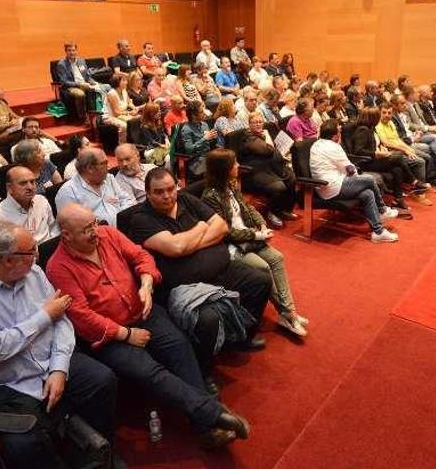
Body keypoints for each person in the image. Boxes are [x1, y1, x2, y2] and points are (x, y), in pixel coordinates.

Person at [47, 203, 250, 449]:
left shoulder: (107, 233)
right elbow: (81, 316)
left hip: (142, 310)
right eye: (86, 229)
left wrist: (146, 282)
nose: (95, 231)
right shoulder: (58, 267)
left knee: (179, 346)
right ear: (66, 235)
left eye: (94, 224)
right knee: (150, 372)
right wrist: (126, 334)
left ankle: (205, 423)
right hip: (110, 335)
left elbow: (142, 256)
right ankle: (212, 415)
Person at [0, 221, 118, 468]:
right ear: (7, 260)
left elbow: (62, 321)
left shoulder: (33, 273)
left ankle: (96, 453)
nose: (36, 257)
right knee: (24, 445)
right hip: (6, 382)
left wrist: (59, 368)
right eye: (31, 251)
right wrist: (45, 315)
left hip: (49, 358)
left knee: (101, 380)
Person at [127, 168, 271, 369]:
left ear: (177, 186)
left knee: (260, 281)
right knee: (207, 320)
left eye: (170, 189)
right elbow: (176, 247)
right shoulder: (140, 218)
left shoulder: (186, 200)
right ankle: (205, 369)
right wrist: (202, 228)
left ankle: (239, 338)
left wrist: (189, 244)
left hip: (220, 269)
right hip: (183, 285)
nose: (167, 196)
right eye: (159, 191)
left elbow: (221, 226)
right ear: (148, 193)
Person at [201, 149, 307, 336]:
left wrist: (261, 223)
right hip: (231, 247)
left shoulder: (231, 185)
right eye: (234, 164)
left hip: (249, 239)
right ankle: (288, 314)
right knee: (263, 267)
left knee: (277, 258)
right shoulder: (210, 197)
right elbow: (225, 233)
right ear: (224, 169)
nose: (238, 166)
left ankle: (288, 313)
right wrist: (256, 235)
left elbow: (247, 208)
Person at [311, 120, 400, 243]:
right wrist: (358, 179)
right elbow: (350, 169)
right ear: (335, 135)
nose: (341, 133)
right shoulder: (333, 147)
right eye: (339, 131)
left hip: (327, 186)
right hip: (332, 187)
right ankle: (383, 210)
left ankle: (378, 232)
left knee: (367, 193)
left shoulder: (317, 144)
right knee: (369, 179)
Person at [349, 106, 421, 211]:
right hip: (365, 162)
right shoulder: (363, 130)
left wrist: (381, 149)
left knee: (397, 169)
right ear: (372, 118)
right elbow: (358, 151)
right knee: (398, 157)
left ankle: (398, 199)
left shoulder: (371, 128)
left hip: (373, 160)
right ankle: (413, 180)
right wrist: (376, 153)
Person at [239, 112, 297, 227]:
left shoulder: (261, 135)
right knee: (279, 186)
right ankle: (273, 212)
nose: (258, 124)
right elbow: (268, 150)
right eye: (255, 122)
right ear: (249, 124)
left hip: (270, 168)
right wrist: (267, 138)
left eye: (260, 122)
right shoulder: (248, 137)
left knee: (291, 178)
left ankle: (283, 210)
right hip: (255, 172)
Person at [54, 149, 136, 227]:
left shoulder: (109, 178)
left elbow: (127, 200)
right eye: (105, 163)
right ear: (90, 168)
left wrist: (121, 217)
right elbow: (74, 228)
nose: (109, 166)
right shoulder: (68, 193)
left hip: (123, 229)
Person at [0, 166, 59, 243]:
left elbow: (52, 228)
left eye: (32, 182)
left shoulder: (41, 201)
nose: (30, 187)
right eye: (23, 183)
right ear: (9, 188)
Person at [375, 102, 434, 199]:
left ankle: (420, 184)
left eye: (389, 113)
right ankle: (419, 194)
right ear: (379, 113)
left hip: (400, 149)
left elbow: (397, 139)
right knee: (420, 162)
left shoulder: (390, 123)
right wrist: (405, 150)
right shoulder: (378, 125)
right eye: (384, 112)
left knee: (426, 156)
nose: (387, 115)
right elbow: (386, 143)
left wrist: (408, 149)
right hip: (393, 152)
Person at [55, 42, 103, 121]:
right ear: (66, 52)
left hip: (85, 83)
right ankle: (83, 117)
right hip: (71, 87)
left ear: (76, 51)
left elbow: (87, 76)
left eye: (73, 50)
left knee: (100, 88)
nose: (72, 52)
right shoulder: (62, 64)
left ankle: (97, 114)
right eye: (69, 50)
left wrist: (93, 82)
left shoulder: (81, 61)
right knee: (80, 94)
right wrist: (80, 84)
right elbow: (64, 82)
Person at [178, 100, 217, 177]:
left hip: (208, 156)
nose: (204, 113)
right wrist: (205, 139)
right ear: (193, 115)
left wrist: (213, 137)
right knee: (217, 168)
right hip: (196, 161)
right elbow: (189, 149)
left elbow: (208, 143)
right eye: (201, 112)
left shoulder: (204, 124)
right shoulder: (186, 129)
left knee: (226, 161)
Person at [102, 74, 138, 144]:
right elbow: (116, 112)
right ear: (117, 82)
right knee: (125, 125)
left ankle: (134, 143)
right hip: (110, 117)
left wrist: (134, 108)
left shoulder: (124, 91)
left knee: (138, 120)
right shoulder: (112, 94)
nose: (126, 82)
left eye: (126, 80)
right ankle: (122, 145)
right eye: (124, 80)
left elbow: (129, 103)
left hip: (122, 115)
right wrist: (130, 113)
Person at [138, 102, 170, 167]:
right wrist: (162, 145)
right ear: (150, 114)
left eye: (159, 110)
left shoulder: (158, 122)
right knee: (168, 158)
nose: (160, 113)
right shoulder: (144, 127)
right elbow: (151, 141)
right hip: (150, 149)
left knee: (173, 154)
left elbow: (163, 134)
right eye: (157, 112)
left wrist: (166, 139)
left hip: (161, 147)